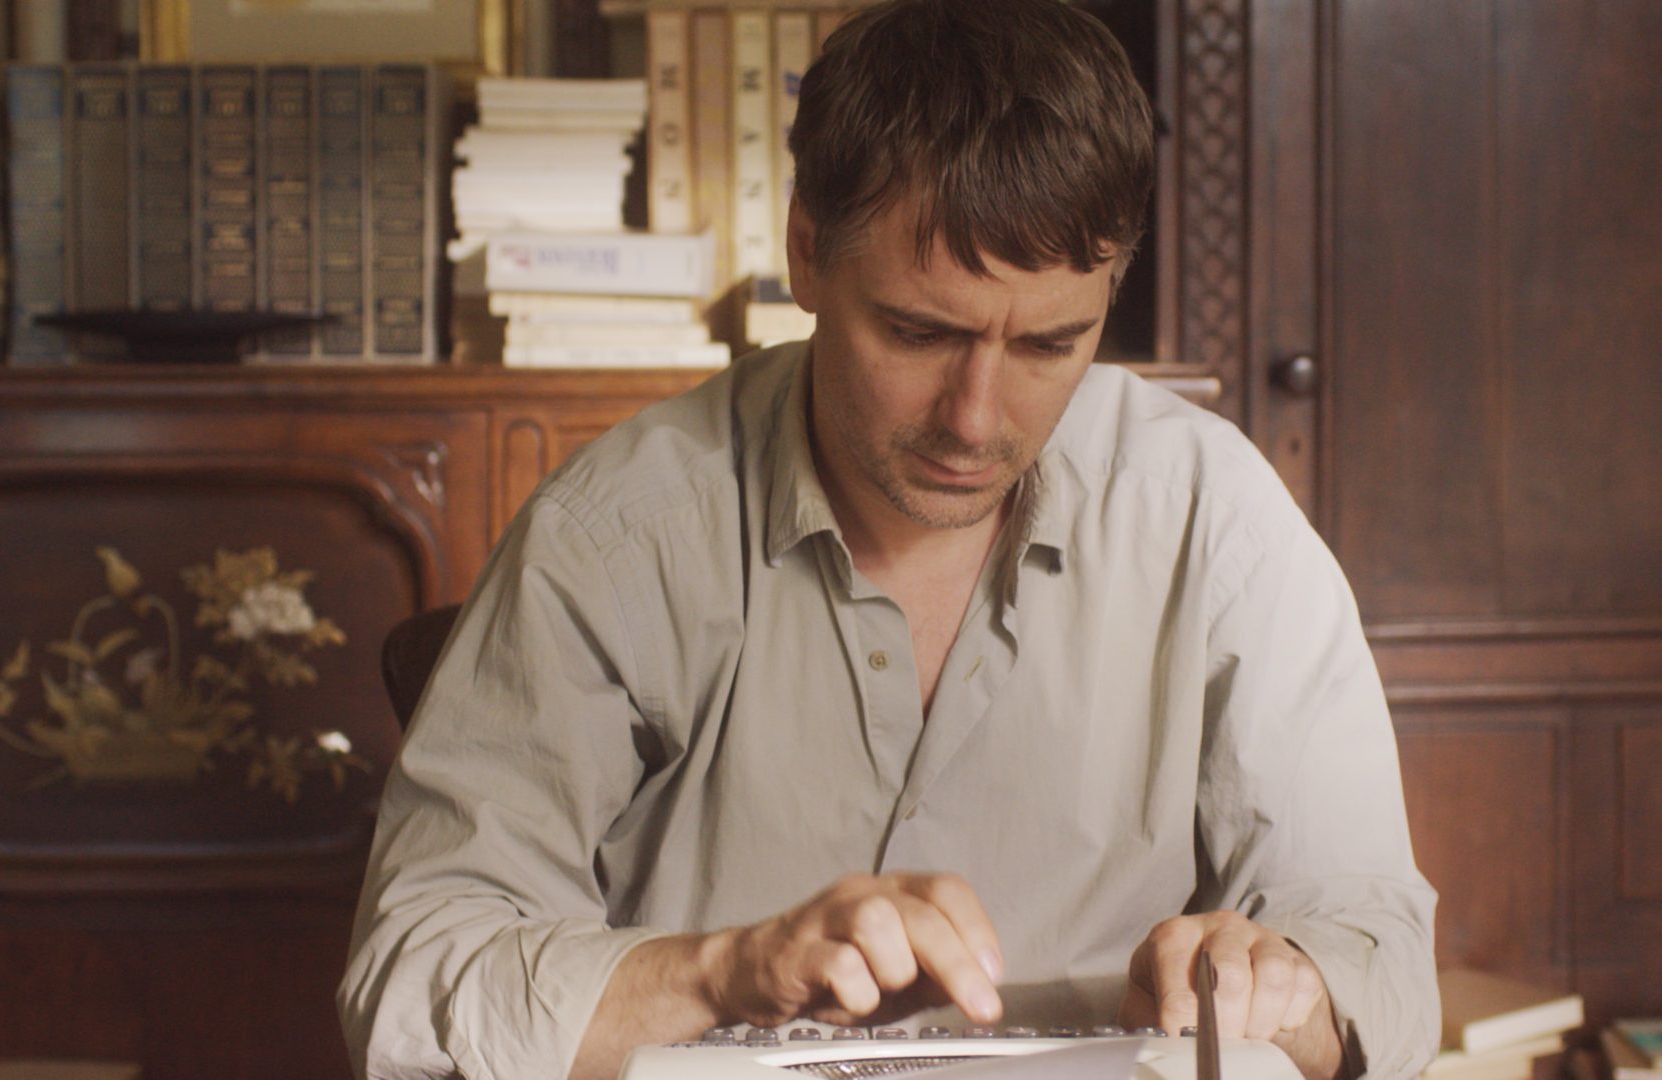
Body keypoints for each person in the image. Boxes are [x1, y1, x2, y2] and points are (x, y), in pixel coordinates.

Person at [338, 1, 1439, 1078]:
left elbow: (1378, 960)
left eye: (1049, 346)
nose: (975, 419)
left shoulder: (1211, 517)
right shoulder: (618, 536)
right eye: (919, 333)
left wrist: (1280, 991)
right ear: (806, 252)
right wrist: (724, 974)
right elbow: (411, 975)